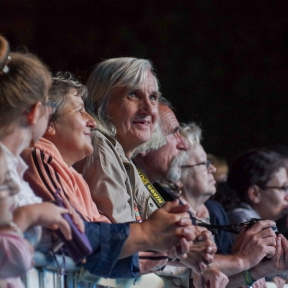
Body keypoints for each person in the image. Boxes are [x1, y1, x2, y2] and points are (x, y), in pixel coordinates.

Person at [22, 73, 201, 279]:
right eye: (80, 111)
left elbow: (100, 230)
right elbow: (81, 239)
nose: (93, 122)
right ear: (48, 122)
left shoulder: (71, 172)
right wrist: (152, 237)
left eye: (153, 97)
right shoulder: (38, 156)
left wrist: (166, 242)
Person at [0, 35, 81, 288]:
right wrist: (28, 216)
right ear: (35, 112)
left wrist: (55, 225)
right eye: (49, 104)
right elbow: (8, 256)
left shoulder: (11, 166)